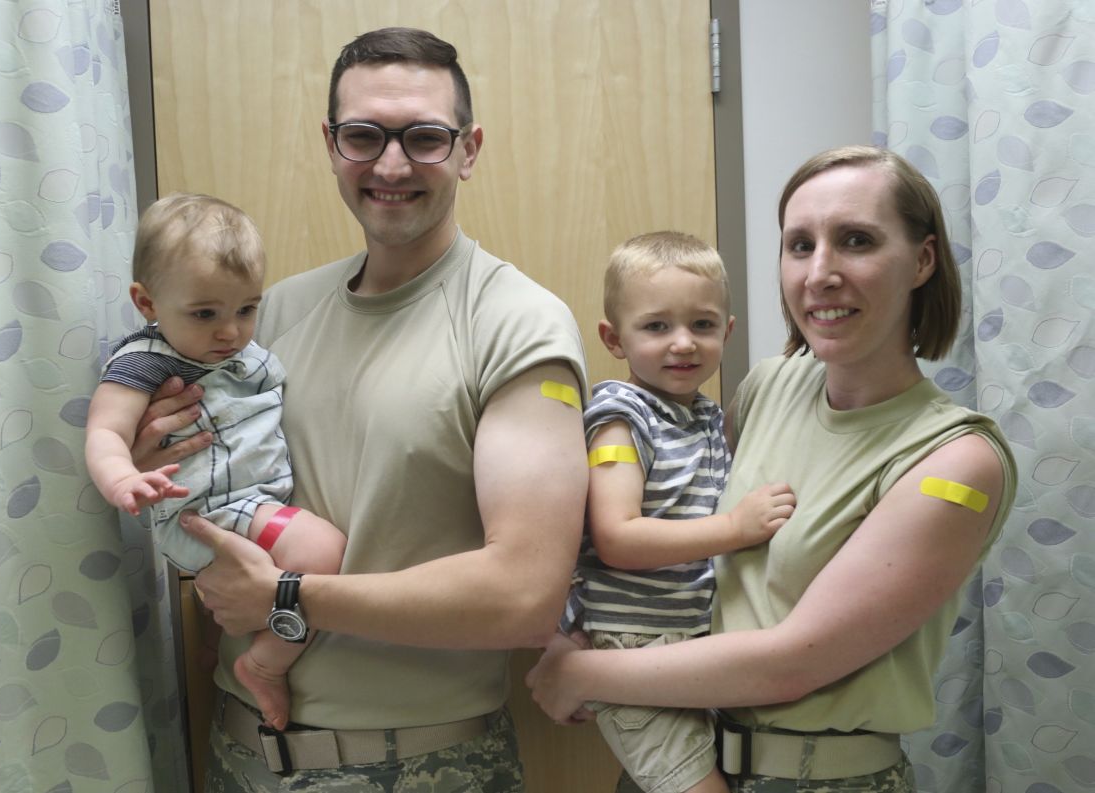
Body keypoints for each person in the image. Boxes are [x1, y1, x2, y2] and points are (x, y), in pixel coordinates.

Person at [129, 28, 588, 792]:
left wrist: (285, 596)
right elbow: (206, 489)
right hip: (239, 749)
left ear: (469, 150)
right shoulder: (258, 317)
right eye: (365, 135)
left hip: (422, 764)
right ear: (332, 143)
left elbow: (525, 598)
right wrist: (158, 466)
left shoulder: (516, 323)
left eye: (426, 138)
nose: (392, 163)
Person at [527, 145, 1018, 793]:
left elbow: (792, 663)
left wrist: (581, 673)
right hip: (689, 752)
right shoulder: (768, 387)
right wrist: (577, 631)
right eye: (799, 244)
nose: (820, 272)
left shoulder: (956, 462)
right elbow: (670, 542)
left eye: (856, 240)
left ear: (923, 260)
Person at [86, 193, 347, 732]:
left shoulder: (237, 351)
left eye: (246, 309)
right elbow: (106, 431)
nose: (230, 331)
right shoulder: (145, 362)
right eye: (205, 313)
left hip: (250, 500)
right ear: (147, 303)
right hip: (207, 513)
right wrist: (123, 479)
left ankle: (214, 639)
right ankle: (265, 664)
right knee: (323, 549)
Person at [561, 231, 796, 793]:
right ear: (613, 339)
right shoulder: (622, 417)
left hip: (690, 645)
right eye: (657, 326)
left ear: (728, 332)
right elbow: (616, 537)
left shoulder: (706, 416)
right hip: (633, 644)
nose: (684, 343)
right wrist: (735, 529)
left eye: (704, 325)